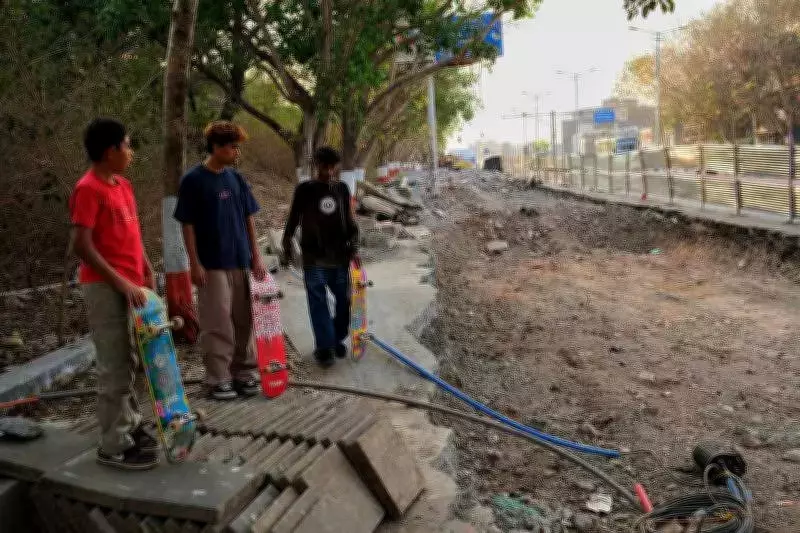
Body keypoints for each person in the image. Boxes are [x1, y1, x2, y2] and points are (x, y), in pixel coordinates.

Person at [70, 118, 159, 470]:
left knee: (132, 360)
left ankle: (130, 425)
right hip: (105, 287)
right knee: (113, 365)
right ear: (110, 152)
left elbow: (132, 233)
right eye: (127, 145)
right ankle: (112, 444)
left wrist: (146, 266)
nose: (131, 152)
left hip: (131, 284)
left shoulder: (122, 185)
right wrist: (120, 281)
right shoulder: (88, 189)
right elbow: (82, 244)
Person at [174, 121, 266, 400]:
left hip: (240, 261)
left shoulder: (236, 179)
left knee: (243, 319)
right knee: (217, 322)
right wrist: (194, 262)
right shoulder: (193, 180)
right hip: (211, 265)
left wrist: (256, 257)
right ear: (216, 147)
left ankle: (245, 372)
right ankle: (218, 378)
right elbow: (186, 224)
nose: (236, 152)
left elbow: (248, 218)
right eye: (232, 147)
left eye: (237, 147)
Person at [281, 147, 359, 367]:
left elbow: (350, 219)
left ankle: (335, 338)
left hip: (339, 256)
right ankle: (324, 348)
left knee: (344, 302)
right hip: (314, 257)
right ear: (316, 165)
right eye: (324, 166)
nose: (328, 170)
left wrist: (354, 241)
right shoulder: (305, 190)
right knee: (318, 303)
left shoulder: (342, 189)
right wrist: (287, 243)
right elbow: (294, 218)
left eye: (332, 166)